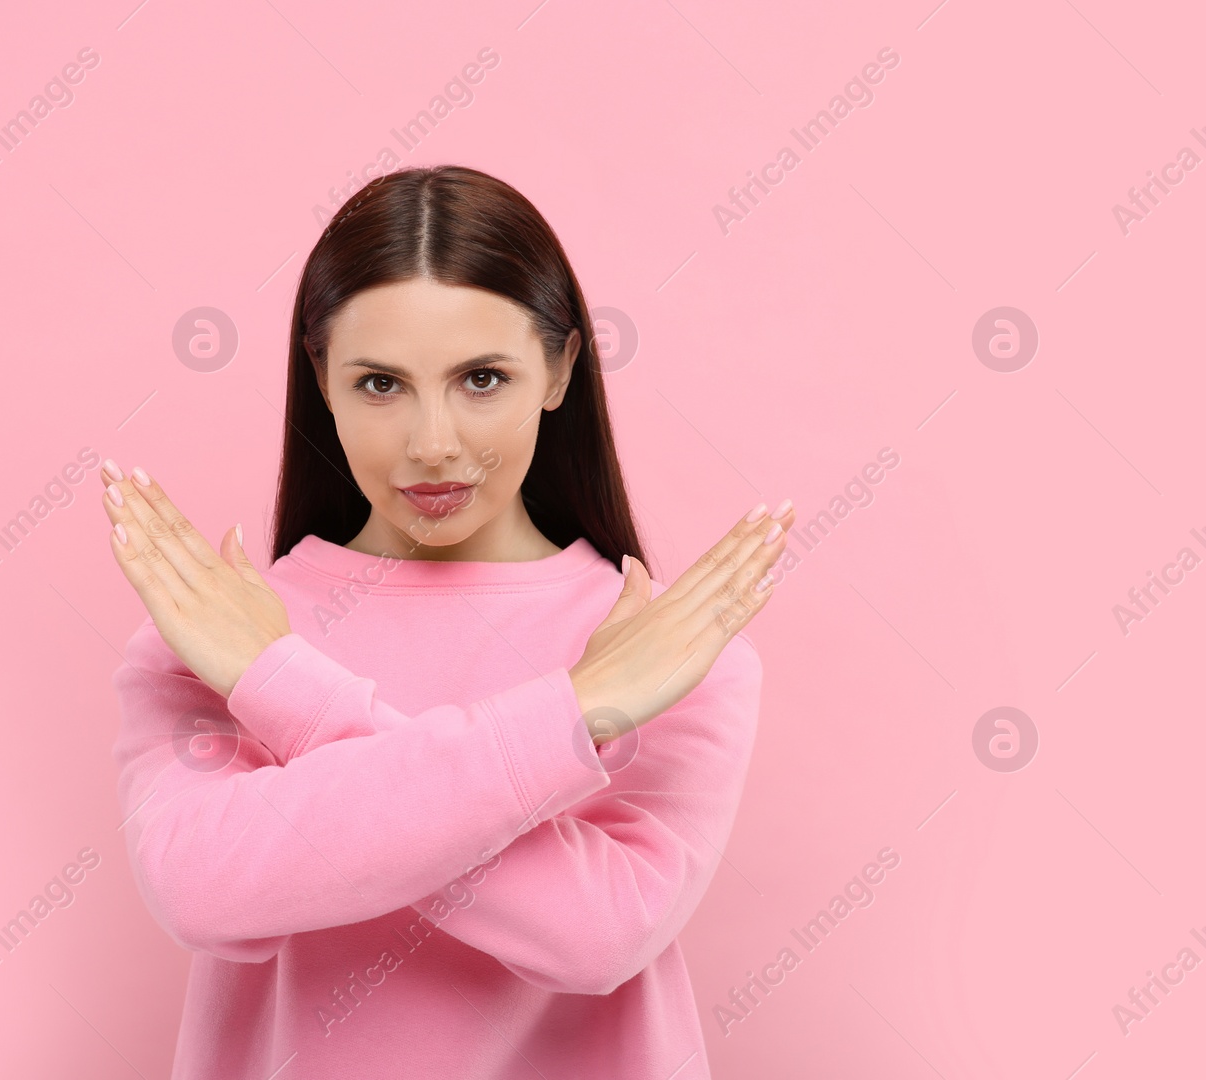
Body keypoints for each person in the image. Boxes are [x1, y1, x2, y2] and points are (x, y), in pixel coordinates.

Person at [102, 165, 795, 1079]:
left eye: (481, 378)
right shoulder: (212, 635)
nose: (433, 442)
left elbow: (599, 935)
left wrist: (283, 691)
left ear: (559, 371)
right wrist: (574, 714)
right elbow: (201, 886)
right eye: (381, 384)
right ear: (323, 381)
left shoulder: (668, 654)